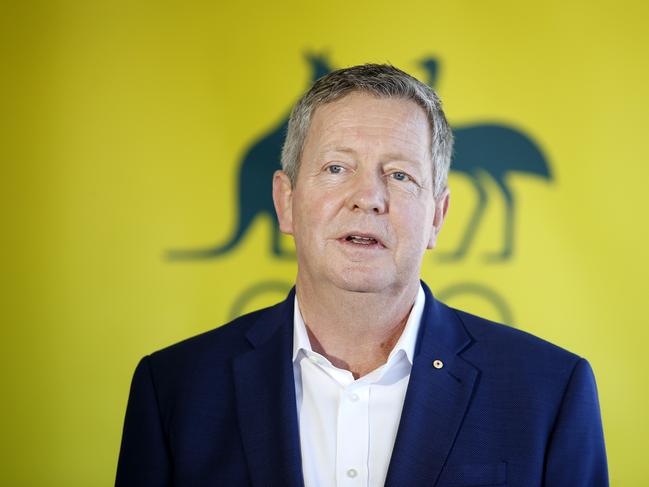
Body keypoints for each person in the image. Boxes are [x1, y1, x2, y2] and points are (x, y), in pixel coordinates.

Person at [115, 64, 608, 486]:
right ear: (285, 203)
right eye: (336, 168)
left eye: (399, 175)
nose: (367, 196)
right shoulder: (175, 389)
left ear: (437, 216)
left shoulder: (549, 391)